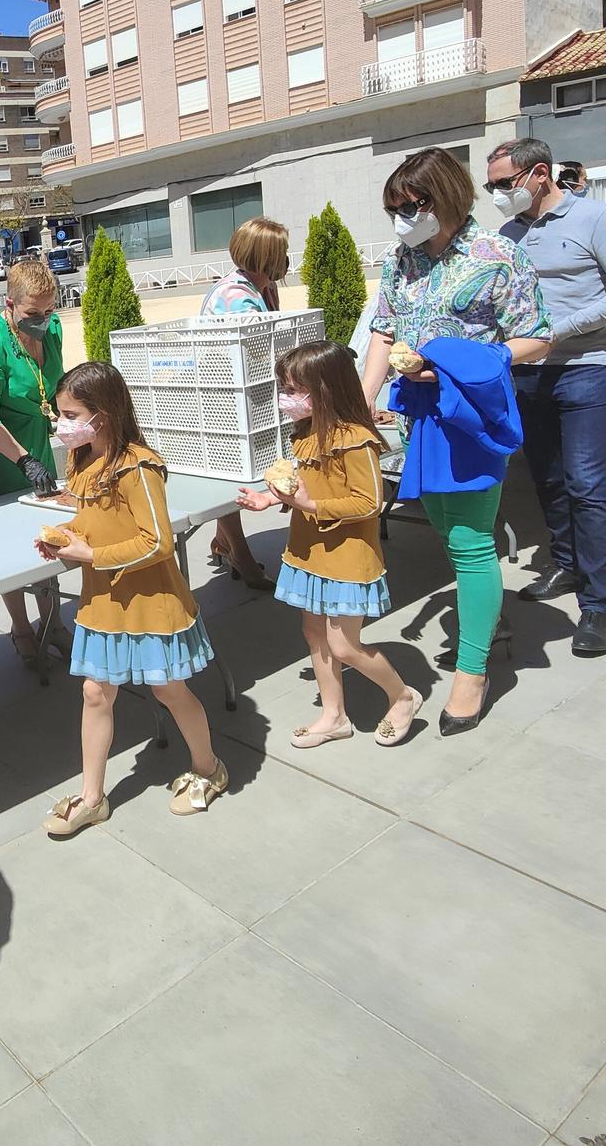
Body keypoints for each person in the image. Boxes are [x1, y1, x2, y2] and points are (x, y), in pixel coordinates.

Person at [361, 148, 551, 731]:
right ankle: (489, 619)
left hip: (470, 416)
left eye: (409, 206)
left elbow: (537, 338)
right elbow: (382, 332)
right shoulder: (402, 261)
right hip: (419, 417)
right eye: (393, 208)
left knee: (469, 541)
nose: (401, 218)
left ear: (441, 198)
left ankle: (473, 673)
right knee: (446, 529)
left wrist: (470, 360)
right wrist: (361, 403)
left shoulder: (499, 256)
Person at [35, 361, 227, 836]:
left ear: (103, 414)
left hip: (150, 602)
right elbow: (93, 524)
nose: (63, 425)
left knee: (168, 690)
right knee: (95, 691)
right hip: (103, 602)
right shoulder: (83, 465)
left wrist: (91, 553)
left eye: (71, 414)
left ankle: (209, 768)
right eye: (59, 414)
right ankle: (93, 796)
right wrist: (67, 536)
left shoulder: (138, 466)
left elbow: (158, 540)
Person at [487, 138, 606, 657]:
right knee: (548, 479)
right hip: (527, 376)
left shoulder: (598, 219)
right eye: (489, 186)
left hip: (585, 371)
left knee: (588, 486)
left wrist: (556, 331)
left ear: (539, 174)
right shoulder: (509, 234)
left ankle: (602, 604)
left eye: (503, 184)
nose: (495, 194)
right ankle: (565, 562)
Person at [237, 343, 422, 747]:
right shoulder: (306, 433)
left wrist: (308, 503)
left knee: (343, 643)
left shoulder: (355, 439)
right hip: (310, 552)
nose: (285, 399)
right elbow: (308, 485)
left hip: (348, 557)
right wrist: (271, 498)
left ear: (325, 389)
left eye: (293, 389)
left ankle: (402, 695)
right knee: (314, 632)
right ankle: (334, 714)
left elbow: (369, 501)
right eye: (283, 388)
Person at [0, 259, 70, 666]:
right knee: (11, 549)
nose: (42, 321)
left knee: (47, 537)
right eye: (32, 315)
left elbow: (57, 386)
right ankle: (21, 628)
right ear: (9, 303)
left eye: (48, 312)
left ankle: (54, 622)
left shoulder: (52, 329)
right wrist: (24, 462)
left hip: (35, 442)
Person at [196, 219, 285, 591]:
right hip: (225, 397)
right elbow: (260, 349)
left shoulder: (262, 289)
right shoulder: (238, 296)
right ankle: (241, 556)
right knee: (234, 478)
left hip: (240, 394)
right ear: (267, 255)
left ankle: (223, 543)